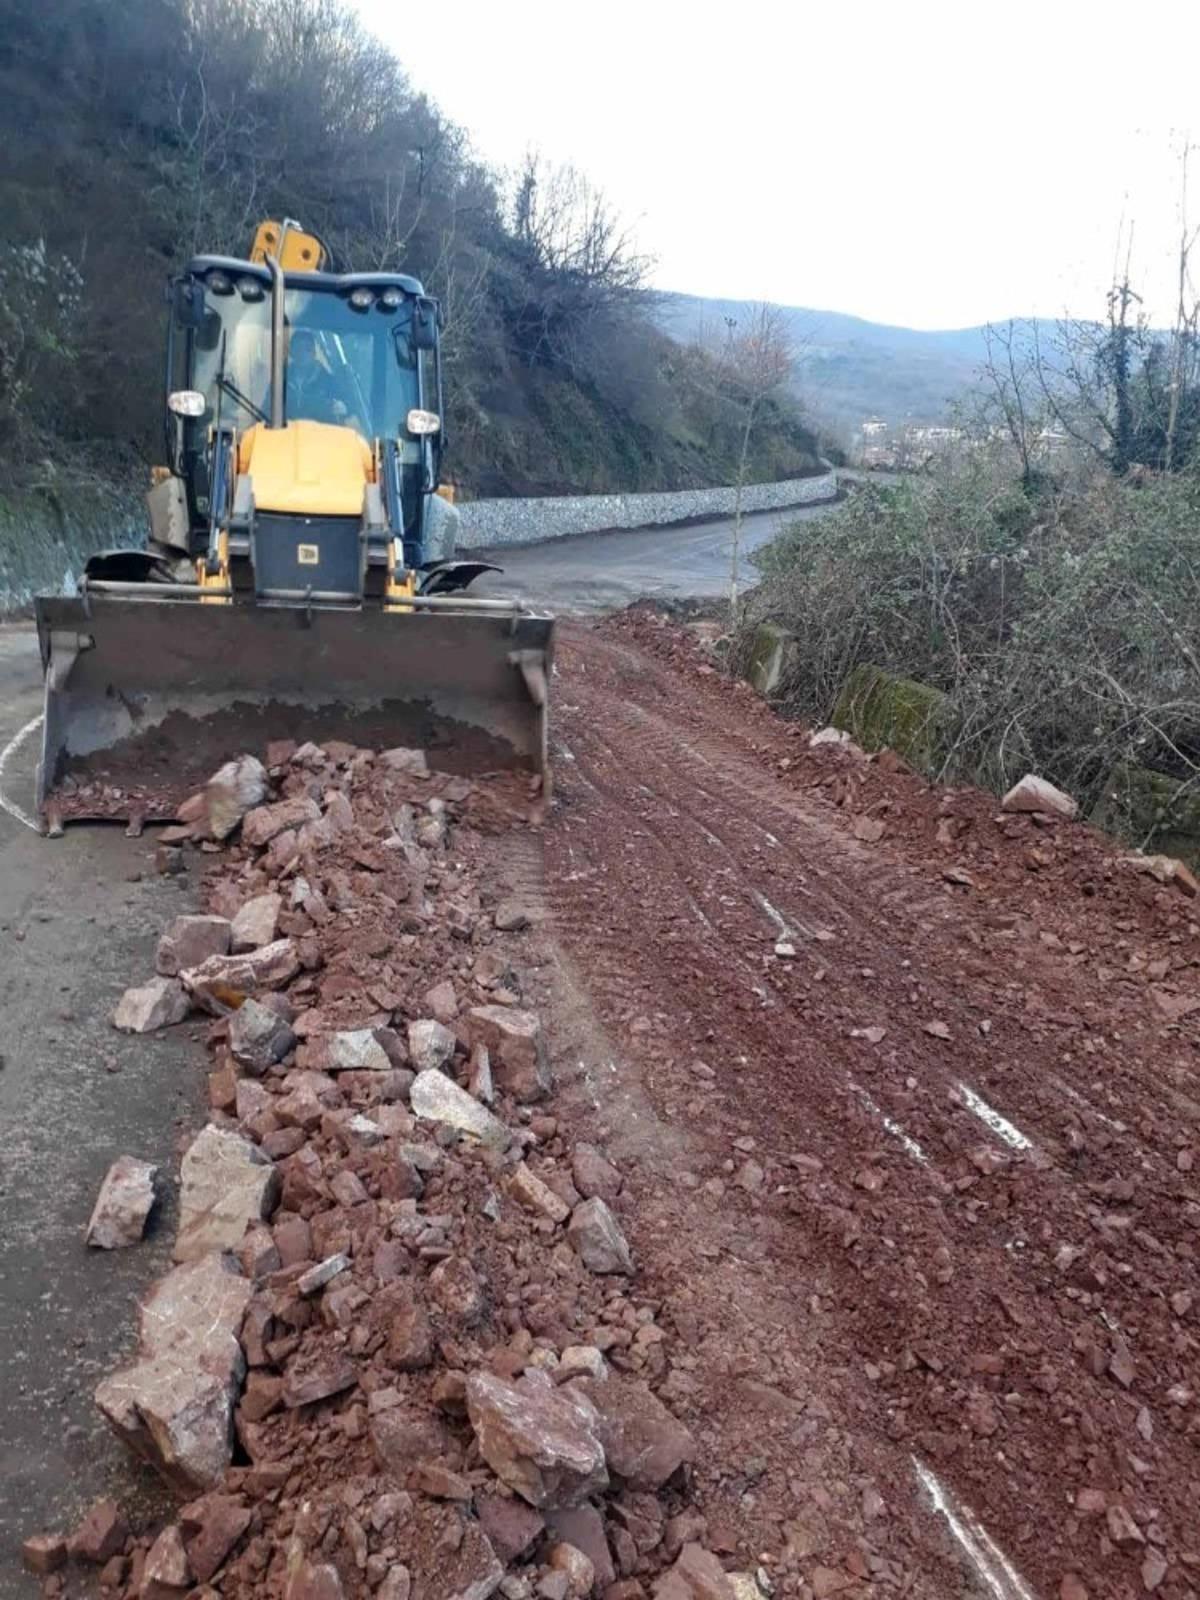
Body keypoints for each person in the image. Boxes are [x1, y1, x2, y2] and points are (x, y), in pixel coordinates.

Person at [285, 329, 350, 425]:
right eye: (298, 348)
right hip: (285, 436)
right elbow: (266, 409)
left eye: (307, 349)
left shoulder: (328, 381)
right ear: (291, 352)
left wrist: (344, 407)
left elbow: (348, 407)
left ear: (314, 353)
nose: (302, 353)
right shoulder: (280, 380)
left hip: (321, 437)